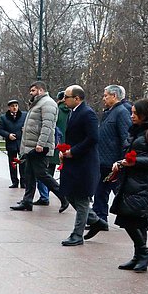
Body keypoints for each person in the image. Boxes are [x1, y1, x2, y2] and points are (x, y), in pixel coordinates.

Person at [109, 99, 148, 271]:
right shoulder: (137, 131)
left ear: (145, 114)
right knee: (130, 218)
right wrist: (123, 162)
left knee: (133, 218)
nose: (131, 116)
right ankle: (140, 255)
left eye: (135, 113)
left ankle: (143, 253)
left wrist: (134, 162)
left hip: (143, 182)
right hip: (132, 180)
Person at [10, 81, 69, 213]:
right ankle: (27, 201)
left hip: (39, 147)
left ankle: (63, 196)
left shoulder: (48, 103)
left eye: (33, 90)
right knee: (29, 174)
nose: (31, 93)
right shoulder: (37, 103)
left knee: (42, 174)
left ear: (41, 90)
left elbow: (47, 126)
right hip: (32, 147)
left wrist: (40, 144)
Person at [57, 85, 100, 246]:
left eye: (67, 97)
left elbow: (92, 138)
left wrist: (73, 151)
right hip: (74, 162)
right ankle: (95, 220)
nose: (64, 100)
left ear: (77, 98)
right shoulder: (73, 113)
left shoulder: (88, 114)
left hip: (84, 163)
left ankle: (77, 235)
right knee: (69, 194)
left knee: (81, 199)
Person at [92, 84, 132, 229]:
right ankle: (99, 218)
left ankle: (135, 216)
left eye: (106, 95)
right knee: (101, 191)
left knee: (115, 191)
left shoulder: (121, 112)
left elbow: (126, 137)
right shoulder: (110, 112)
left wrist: (122, 160)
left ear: (114, 96)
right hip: (104, 160)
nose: (104, 98)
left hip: (112, 161)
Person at [37, 91, 71, 205]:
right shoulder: (73, 112)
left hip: (55, 144)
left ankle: (44, 196)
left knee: (46, 173)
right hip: (68, 147)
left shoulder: (55, 110)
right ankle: (65, 194)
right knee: (65, 173)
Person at [0, 99, 24, 189]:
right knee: (12, 164)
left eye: (16, 105)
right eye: (12, 106)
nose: (14, 108)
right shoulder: (4, 117)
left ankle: (24, 182)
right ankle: (14, 181)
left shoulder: (24, 115)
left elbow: (29, 126)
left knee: (23, 163)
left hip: (22, 143)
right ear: (9, 108)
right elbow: (0, 129)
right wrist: (8, 135)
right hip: (11, 143)